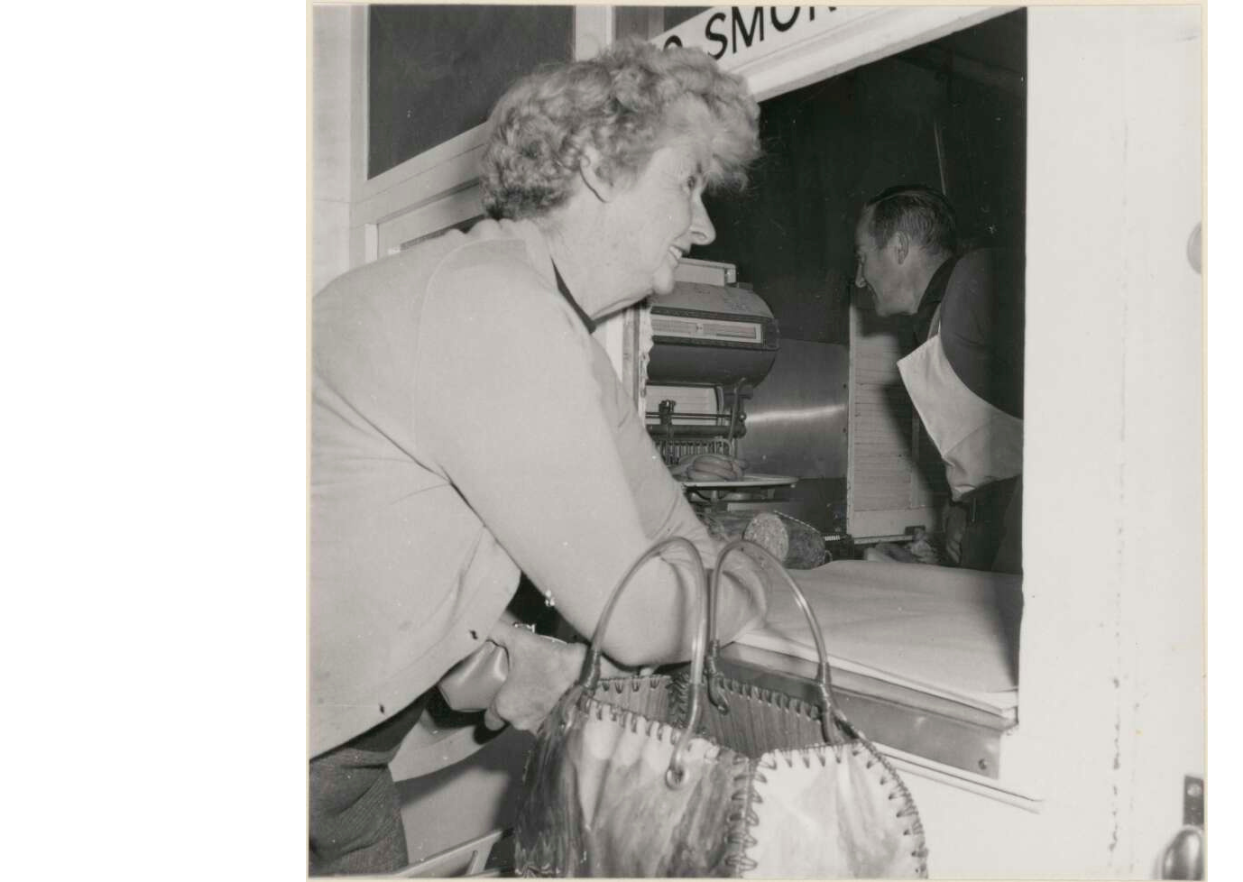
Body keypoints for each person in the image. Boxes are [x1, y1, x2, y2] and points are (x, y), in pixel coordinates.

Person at [309, 41, 770, 875]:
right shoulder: (492, 305)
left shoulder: (521, 311)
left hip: (338, 774)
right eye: (689, 182)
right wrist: (753, 588)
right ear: (599, 163)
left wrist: (497, 655)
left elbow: (668, 525)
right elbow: (634, 618)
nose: (703, 226)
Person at [852, 185, 1024, 575]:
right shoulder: (932, 322)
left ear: (898, 247)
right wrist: (965, 505)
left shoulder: (981, 279)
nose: (860, 279)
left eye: (862, 259)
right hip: (991, 535)